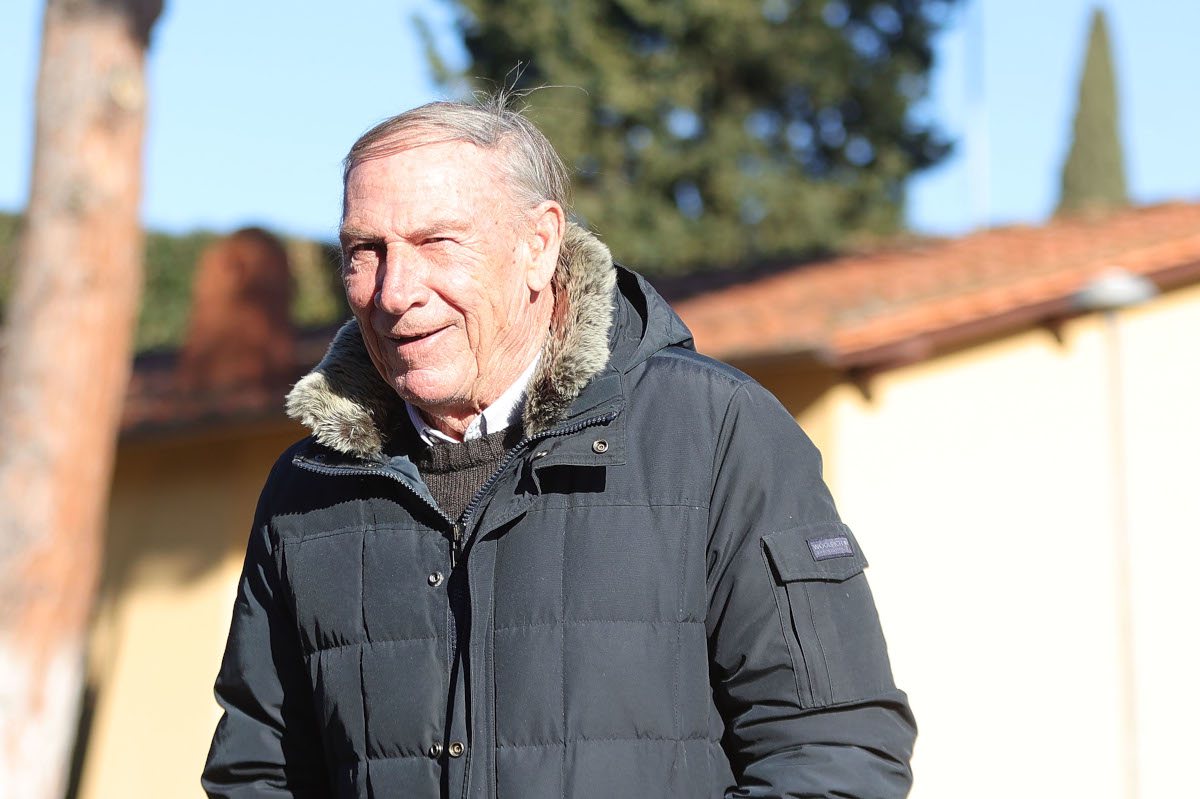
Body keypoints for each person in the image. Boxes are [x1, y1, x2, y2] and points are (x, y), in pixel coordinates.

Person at [202, 98, 916, 799]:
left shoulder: (716, 434)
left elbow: (835, 757)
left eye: (436, 243)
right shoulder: (309, 488)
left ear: (538, 245)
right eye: (367, 251)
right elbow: (258, 775)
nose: (395, 292)